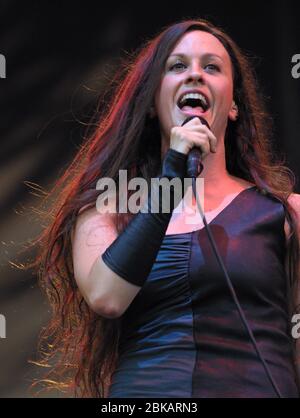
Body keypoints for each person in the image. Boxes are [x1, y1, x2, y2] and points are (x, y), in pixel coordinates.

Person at [29, 18, 300, 398]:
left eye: (211, 67)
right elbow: (107, 298)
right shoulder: (107, 209)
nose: (195, 76)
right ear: (154, 103)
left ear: (234, 104)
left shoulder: (285, 213)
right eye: (177, 66)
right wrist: (172, 177)